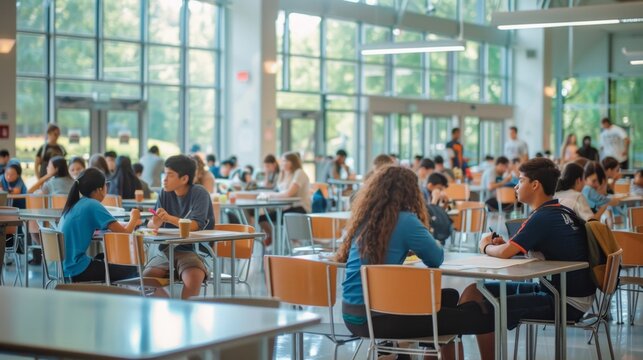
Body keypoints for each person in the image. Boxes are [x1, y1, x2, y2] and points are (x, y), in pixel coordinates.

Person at [337, 166, 490, 359]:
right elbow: (436, 258)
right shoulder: (406, 220)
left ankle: (409, 355)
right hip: (381, 318)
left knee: (449, 297)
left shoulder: (365, 220)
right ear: (411, 193)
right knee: (483, 314)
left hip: (352, 315)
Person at [464, 158, 597, 360]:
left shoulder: (543, 217)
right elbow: (527, 249)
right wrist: (507, 246)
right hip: (557, 290)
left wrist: (485, 246)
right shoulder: (559, 210)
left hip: (565, 301)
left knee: (483, 311)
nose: (516, 186)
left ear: (535, 185)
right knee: (473, 291)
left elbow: (505, 252)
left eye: (520, 180)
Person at [144, 155, 215, 299]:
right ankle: (170, 309)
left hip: (195, 251)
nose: (164, 179)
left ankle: (186, 313)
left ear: (184, 179)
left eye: (170, 175)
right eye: (164, 174)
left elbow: (195, 225)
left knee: (192, 278)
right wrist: (155, 222)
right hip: (168, 251)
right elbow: (151, 224)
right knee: (146, 280)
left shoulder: (199, 193)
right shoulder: (164, 193)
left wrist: (169, 218)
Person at [58, 168, 141, 282]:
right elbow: (125, 233)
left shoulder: (77, 203)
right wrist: (134, 217)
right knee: (130, 268)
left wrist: (127, 223)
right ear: (99, 189)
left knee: (106, 258)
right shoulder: (93, 204)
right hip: (77, 269)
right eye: (106, 185)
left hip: (62, 268)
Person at [258, 152, 311, 246]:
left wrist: (270, 194)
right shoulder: (283, 175)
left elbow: (288, 194)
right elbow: (279, 192)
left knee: (271, 217)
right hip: (286, 208)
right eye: (282, 161)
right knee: (261, 218)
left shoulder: (299, 173)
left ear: (292, 162)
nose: (282, 163)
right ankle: (273, 236)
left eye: (285, 161)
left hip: (299, 209)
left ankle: (289, 242)